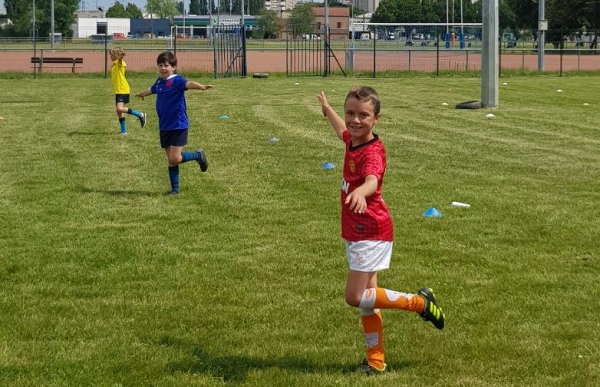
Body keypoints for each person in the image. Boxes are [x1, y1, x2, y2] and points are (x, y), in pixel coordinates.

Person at [317, 86, 445, 375]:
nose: (354, 120)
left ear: (377, 119)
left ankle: (420, 303)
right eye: (351, 113)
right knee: (369, 298)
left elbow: (373, 179)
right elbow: (342, 132)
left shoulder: (373, 151)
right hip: (357, 230)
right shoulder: (353, 140)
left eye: (363, 115)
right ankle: (375, 362)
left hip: (370, 231)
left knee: (355, 297)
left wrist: (362, 190)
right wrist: (328, 111)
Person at [135, 51, 212, 195]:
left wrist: (200, 86)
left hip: (178, 125)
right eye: (160, 65)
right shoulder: (159, 82)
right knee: (171, 160)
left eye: (166, 65)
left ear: (174, 67)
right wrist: (141, 94)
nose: (163, 68)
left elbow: (188, 84)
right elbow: (152, 90)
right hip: (164, 125)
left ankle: (198, 156)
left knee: (175, 158)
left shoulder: (177, 80)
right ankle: (175, 190)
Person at [108, 47, 147, 135]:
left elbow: (121, 60)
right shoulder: (114, 64)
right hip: (119, 90)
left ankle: (140, 115)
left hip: (123, 89)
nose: (110, 56)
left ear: (115, 55)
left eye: (111, 55)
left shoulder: (119, 63)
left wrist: (121, 56)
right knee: (119, 111)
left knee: (119, 108)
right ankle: (124, 131)